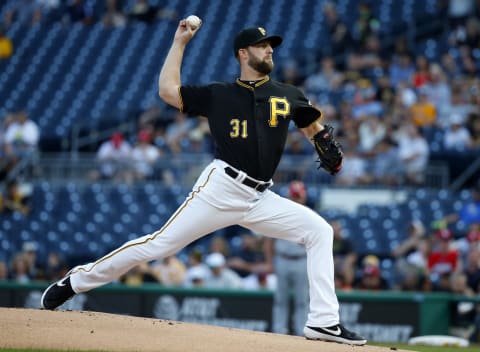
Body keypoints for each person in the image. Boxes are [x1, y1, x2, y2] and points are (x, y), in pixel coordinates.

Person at [40, 20, 365, 345]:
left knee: (319, 231)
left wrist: (322, 139)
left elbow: (311, 124)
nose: (269, 49)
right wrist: (180, 42)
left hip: (262, 197)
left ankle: (323, 322)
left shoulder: (287, 94)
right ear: (243, 53)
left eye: (271, 46)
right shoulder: (219, 94)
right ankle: (76, 281)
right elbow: (168, 92)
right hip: (221, 188)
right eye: (262, 45)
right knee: (158, 245)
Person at [264, 180, 309, 336]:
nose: (296, 199)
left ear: (304, 197)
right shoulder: (280, 214)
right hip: (282, 259)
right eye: (294, 196)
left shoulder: (310, 216)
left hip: (301, 260)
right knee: (280, 299)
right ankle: (279, 331)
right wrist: (270, 262)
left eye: (299, 197)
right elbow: (269, 241)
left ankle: (301, 332)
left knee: (302, 301)